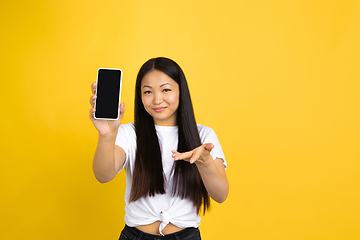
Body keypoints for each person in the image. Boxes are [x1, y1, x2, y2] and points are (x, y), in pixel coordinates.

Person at [89, 57, 229, 240]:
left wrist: (205, 162)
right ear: (139, 95)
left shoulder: (203, 135)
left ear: (181, 91)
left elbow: (221, 195)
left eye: (166, 90)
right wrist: (106, 136)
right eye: (147, 92)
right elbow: (103, 175)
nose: (157, 99)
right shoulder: (129, 133)